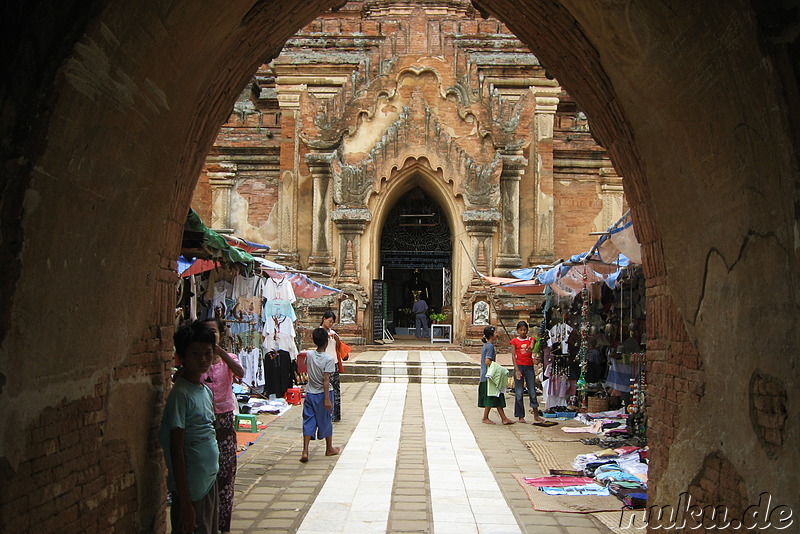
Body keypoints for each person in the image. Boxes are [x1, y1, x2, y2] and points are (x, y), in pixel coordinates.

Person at [160, 321, 220, 534]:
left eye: (207, 353)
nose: (203, 359)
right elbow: (177, 449)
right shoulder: (180, 395)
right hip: (190, 488)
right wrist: (184, 502)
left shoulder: (204, 391)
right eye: (195, 354)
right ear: (183, 357)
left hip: (207, 480)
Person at [199, 318, 244, 534]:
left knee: (225, 475)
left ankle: (223, 526)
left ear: (221, 335)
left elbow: (240, 373)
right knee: (204, 473)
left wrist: (221, 353)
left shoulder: (229, 359)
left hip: (224, 419)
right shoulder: (199, 359)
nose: (211, 335)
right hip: (202, 419)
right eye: (207, 332)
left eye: (214, 332)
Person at [300, 327, 341, 463]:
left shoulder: (310, 355)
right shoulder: (328, 359)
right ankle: (329, 448)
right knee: (325, 420)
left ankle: (305, 450)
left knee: (308, 420)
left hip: (310, 393)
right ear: (327, 342)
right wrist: (327, 399)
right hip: (323, 394)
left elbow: (306, 367)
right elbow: (326, 379)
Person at [478, 325, 515, 425]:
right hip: (490, 377)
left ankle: (503, 418)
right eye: (495, 333)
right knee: (493, 396)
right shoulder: (489, 347)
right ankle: (487, 417)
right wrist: (499, 368)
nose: (497, 334)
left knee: (497, 396)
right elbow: (487, 361)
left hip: (486, 376)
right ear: (491, 335)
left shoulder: (486, 345)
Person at [510, 321, 545, 424]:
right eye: (521, 330)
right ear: (517, 330)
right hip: (519, 367)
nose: (523, 332)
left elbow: (531, 348)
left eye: (524, 330)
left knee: (532, 392)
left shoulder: (531, 339)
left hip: (529, 367)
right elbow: (513, 356)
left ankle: (536, 415)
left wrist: (531, 346)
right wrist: (516, 370)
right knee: (519, 392)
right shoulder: (514, 341)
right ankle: (520, 416)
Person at [320, 310, 342, 422]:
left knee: (335, 389)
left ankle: (335, 414)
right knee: (325, 387)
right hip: (324, 362)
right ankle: (325, 412)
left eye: (332, 322)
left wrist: (336, 338)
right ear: (324, 319)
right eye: (329, 321)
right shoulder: (319, 332)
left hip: (334, 361)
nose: (330, 324)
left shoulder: (333, 332)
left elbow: (338, 347)